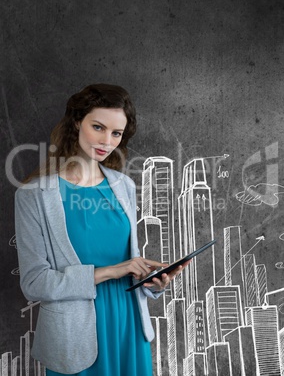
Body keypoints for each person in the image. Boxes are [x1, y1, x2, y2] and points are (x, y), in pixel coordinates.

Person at [15, 84, 188, 376]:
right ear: (76, 122)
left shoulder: (125, 186)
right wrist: (113, 271)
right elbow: (34, 282)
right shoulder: (34, 195)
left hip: (129, 324)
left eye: (116, 133)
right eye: (98, 127)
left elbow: (128, 258)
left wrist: (151, 282)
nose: (107, 141)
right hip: (73, 334)